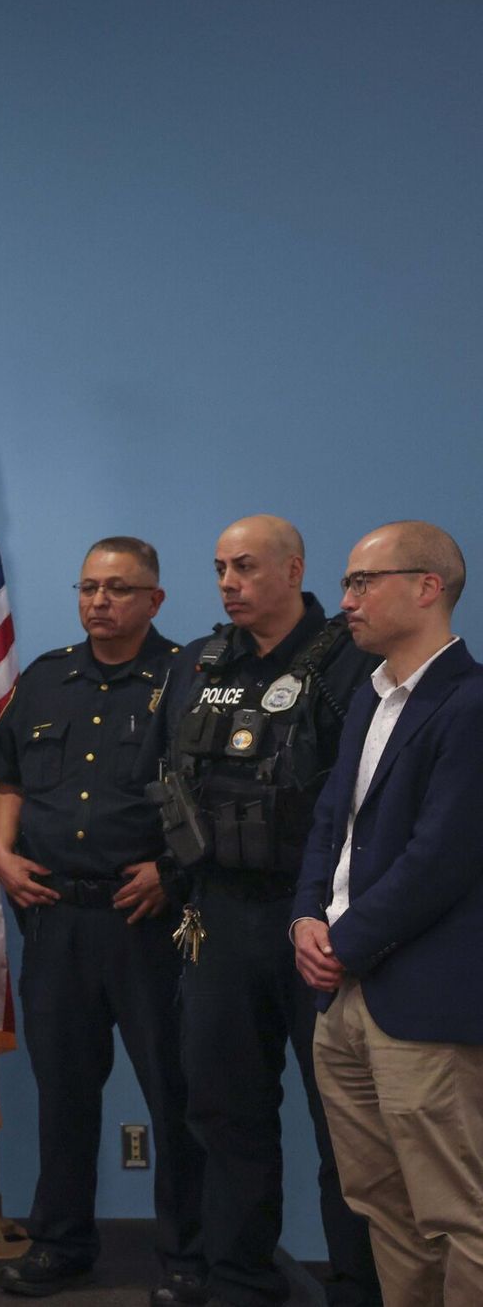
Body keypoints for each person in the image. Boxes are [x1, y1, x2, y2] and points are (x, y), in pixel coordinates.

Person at [145, 515, 380, 1307]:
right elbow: (162, 781)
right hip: (218, 917)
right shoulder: (196, 664)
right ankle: (240, 1279)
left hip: (317, 921)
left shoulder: (352, 661)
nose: (228, 583)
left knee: (344, 1122)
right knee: (223, 1110)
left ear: (292, 570)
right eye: (218, 568)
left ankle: (359, 1285)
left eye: (244, 567)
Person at [0, 537, 203, 1303]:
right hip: (57, 919)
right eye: (88, 587)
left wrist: (171, 873)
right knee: (64, 1092)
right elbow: (8, 776)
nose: (99, 601)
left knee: (174, 1095)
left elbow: (212, 792)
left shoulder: (188, 680)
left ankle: (185, 1253)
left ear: (155, 600)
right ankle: (62, 1242)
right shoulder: (46, 680)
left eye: (117, 588)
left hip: (146, 921)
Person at [292, 521, 483, 1305]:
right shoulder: (369, 699)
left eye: (365, 582)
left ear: (427, 587)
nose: (346, 602)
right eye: (348, 582)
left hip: (422, 999)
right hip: (344, 995)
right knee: (383, 1205)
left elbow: (442, 858)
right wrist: (305, 915)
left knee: (457, 1214)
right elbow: (329, 822)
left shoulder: (470, 704)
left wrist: (343, 939)